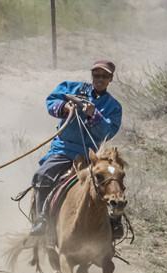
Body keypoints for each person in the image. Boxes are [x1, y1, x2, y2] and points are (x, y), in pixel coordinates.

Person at [29, 59, 124, 239]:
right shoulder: (71, 88)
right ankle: (41, 220)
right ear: (92, 75)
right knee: (42, 176)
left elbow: (108, 132)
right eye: (97, 75)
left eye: (105, 76)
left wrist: (93, 115)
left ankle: (115, 224)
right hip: (63, 149)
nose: (100, 79)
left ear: (111, 78)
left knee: (113, 181)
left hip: (91, 154)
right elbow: (51, 101)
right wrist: (64, 107)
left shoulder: (114, 107)